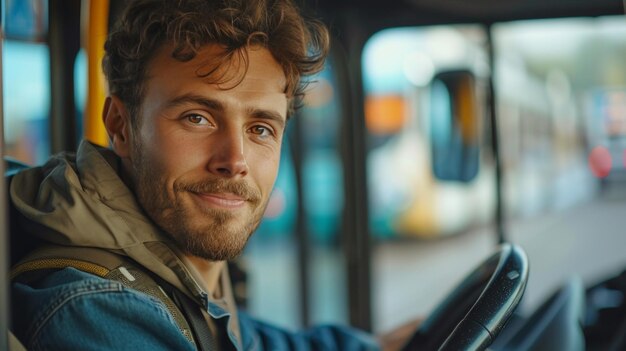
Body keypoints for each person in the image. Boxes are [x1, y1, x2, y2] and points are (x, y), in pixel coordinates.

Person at [8, 0, 418, 350]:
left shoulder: (181, 268)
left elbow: (253, 342)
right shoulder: (97, 310)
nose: (235, 160)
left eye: (260, 128)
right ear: (120, 125)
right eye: (198, 117)